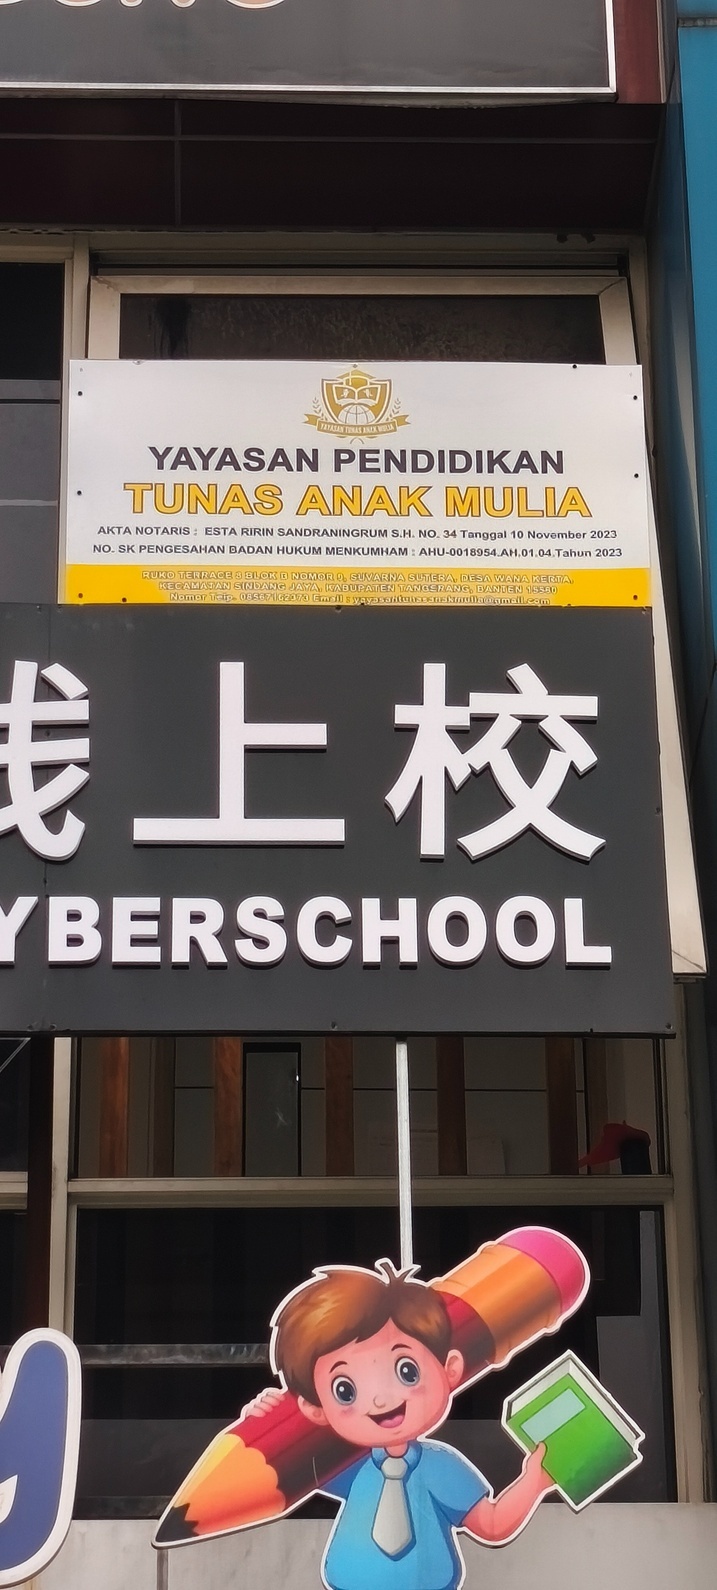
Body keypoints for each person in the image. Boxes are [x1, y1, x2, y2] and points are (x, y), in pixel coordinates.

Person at [242, 1257, 555, 1590]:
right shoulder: (344, 1462)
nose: (380, 1399)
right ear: (315, 1408)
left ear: (449, 1369)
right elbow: (280, 1468)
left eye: (407, 1371)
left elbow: (490, 1524)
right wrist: (266, 1420)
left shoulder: (441, 1467)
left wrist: (535, 1481)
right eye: (345, 1390)